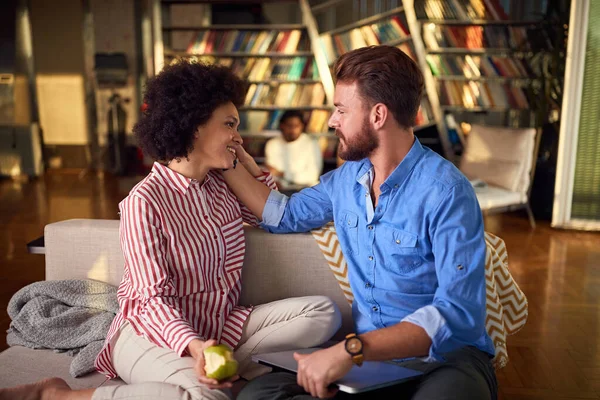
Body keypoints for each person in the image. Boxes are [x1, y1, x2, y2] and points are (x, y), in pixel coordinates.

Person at [0, 60, 341, 400]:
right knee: (208, 398)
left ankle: (222, 368)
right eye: (229, 125)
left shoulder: (220, 188)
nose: (238, 136)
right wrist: (193, 347)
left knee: (324, 313)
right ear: (195, 127)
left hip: (219, 327)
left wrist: (251, 169)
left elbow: (270, 219)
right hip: (150, 335)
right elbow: (151, 300)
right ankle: (58, 396)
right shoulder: (144, 202)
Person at [220, 45, 498, 399]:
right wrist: (226, 158)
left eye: (340, 110)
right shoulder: (345, 180)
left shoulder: (447, 192)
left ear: (378, 115)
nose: (332, 120)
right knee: (258, 395)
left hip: (444, 360)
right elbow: (284, 215)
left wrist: (350, 349)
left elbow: (458, 314)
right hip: (368, 363)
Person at [264, 110, 323, 188]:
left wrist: (283, 174)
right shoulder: (272, 144)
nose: (293, 129)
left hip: (305, 190)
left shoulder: (311, 144)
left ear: (302, 126)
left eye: (296, 126)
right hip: (280, 190)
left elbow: (312, 176)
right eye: (289, 125)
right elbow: (272, 174)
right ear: (282, 126)